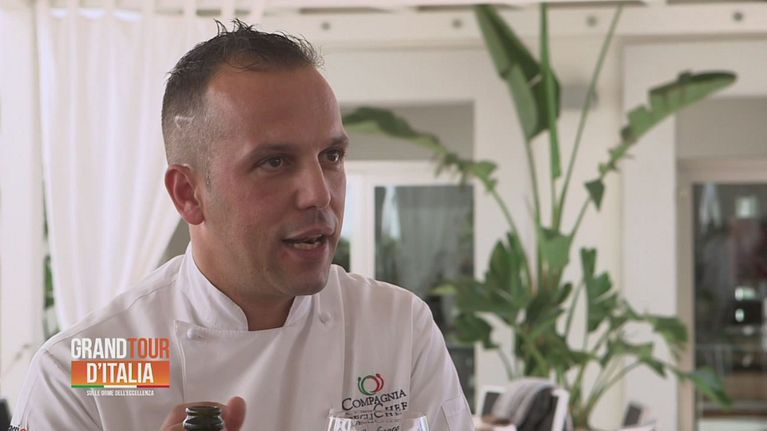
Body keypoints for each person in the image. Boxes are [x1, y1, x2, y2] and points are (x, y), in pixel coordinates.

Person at [10, 21, 473, 431]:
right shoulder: (85, 370)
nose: (318, 194)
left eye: (331, 156)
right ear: (189, 194)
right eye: (274, 162)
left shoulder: (396, 328)